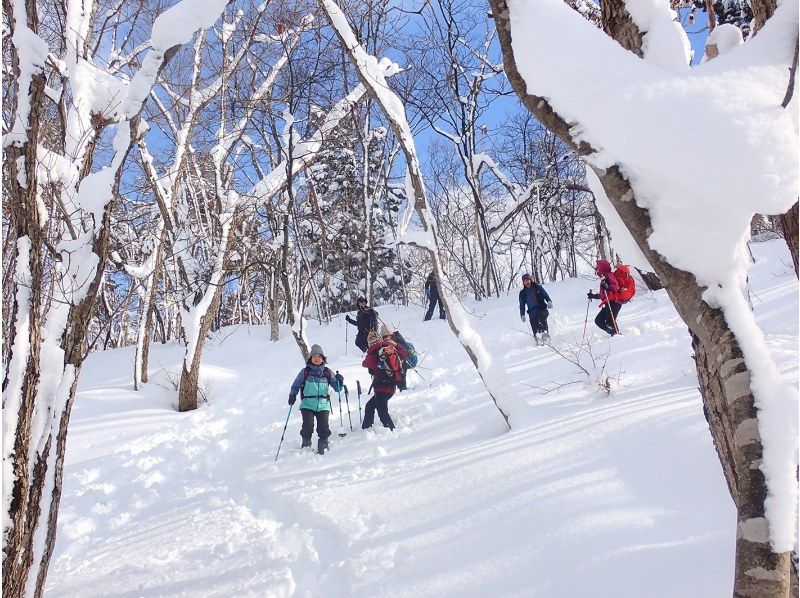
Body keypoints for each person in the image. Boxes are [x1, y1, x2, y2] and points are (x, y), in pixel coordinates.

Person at [288, 344, 344, 454]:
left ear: (323, 358)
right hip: (308, 404)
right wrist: (292, 395)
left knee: (323, 427)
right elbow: (296, 385)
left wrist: (340, 381)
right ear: (310, 358)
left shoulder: (327, 372)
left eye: (319, 356)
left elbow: (337, 388)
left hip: (323, 404)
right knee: (307, 426)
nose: (317, 358)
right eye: (314, 356)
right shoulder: (305, 372)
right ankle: (306, 445)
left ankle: (323, 445)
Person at [361, 328, 409, 431]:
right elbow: (405, 353)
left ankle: (391, 430)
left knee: (382, 410)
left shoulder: (373, 352)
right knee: (370, 406)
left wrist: (370, 350)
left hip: (382, 387)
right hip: (391, 386)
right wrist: (395, 345)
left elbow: (365, 364)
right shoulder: (389, 349)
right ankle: (366, 428)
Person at [587, 259, 621, 336]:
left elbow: (616, 287)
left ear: (601, 267)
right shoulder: (604, 277)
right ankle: (614, 334)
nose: (596, 269)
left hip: (614, 302)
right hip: (609, 303)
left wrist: (608, 287)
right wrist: (594, 296)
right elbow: (603, 294)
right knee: (598, 321)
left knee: (610, 323)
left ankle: (617, 336)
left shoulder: (609, 275)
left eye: (597, 267)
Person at [518, 273, 553, 344]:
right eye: (524, 281)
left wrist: (549, 301)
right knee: (534, 326)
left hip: (542, 308)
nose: (526, 282)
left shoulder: (537, 287)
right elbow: (522, 305)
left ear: (531, 280)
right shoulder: (522, 293)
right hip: (532, 313)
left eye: (527, 280)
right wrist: (522, 315)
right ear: (523, 283)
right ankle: (537, 339)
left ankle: (545, 335)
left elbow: (545, 294)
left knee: (542, 319)